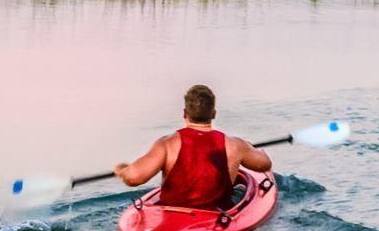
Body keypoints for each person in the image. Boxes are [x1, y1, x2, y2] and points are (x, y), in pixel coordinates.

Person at [114, 84, 272, 210]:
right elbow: (264, 164)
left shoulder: (166, 144)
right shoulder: (235, 145)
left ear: (185, 113)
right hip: (215, 215)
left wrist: (122, 171)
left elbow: (134, 178)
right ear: (214, 114)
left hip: (172, 215)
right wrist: (249, 147)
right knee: (241, 188)